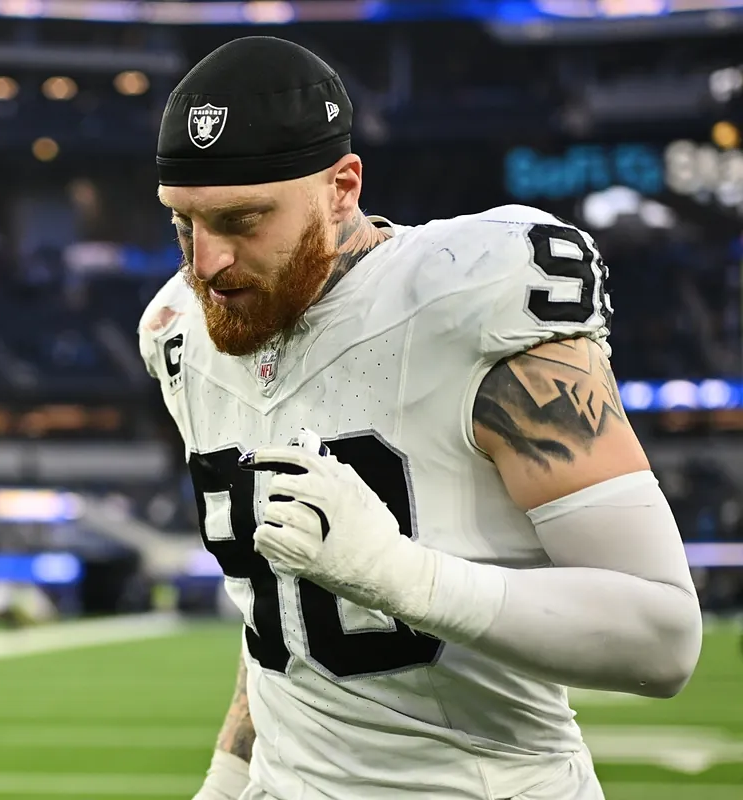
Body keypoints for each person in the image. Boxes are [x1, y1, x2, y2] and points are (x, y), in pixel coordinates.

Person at [138, 36, 703, 800]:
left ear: (341, 188)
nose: (206, 262)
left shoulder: (469, 298)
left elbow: (662, 638)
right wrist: (229, 776)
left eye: (243, 220)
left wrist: (400, 575)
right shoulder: (178, 331)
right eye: (184, 223)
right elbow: (282, 603)